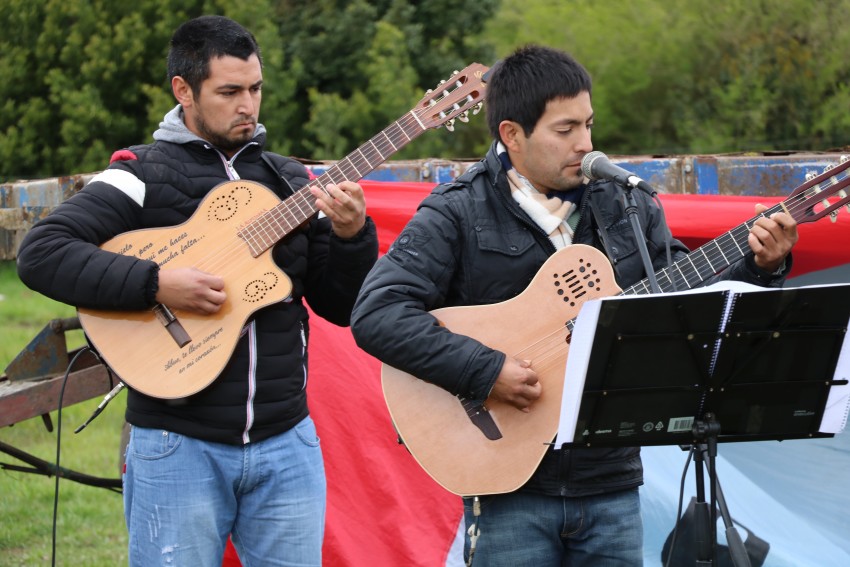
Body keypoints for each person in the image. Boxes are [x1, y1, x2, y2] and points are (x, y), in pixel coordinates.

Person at [350, 45, 797, 566]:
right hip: (507, 489)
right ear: (512, 135)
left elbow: (687, 308)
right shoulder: (457, 212)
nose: (585, 144)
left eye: (588, 124)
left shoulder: (628, 205)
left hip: (611, 480)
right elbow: (377, 314)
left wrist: (761, 269)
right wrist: (485, 370)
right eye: (565, 130)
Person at [17, 15, 378, 567]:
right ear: (183, 91)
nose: (248, 106)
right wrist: (157, 283)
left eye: (255, 89)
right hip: (176, 447)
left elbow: (342, 306)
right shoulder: (139, 174)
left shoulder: (293, 183)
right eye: (229, 91)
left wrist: (354, 236)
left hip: (288, 445)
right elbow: (41, 252)